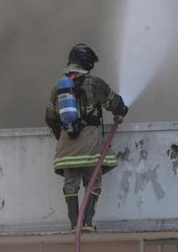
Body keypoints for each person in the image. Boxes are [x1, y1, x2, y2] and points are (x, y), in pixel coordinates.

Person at [45, 44, 129, 232]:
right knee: (93, 181)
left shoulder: (58, 88)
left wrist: (65, 135)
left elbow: (49, 118)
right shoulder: (95, 84)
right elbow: (115, 103)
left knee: (70, 184)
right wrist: (121, 112)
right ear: (87, 63)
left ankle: (75, 225)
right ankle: (88, 223)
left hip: (66, 149)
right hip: (90, 146)